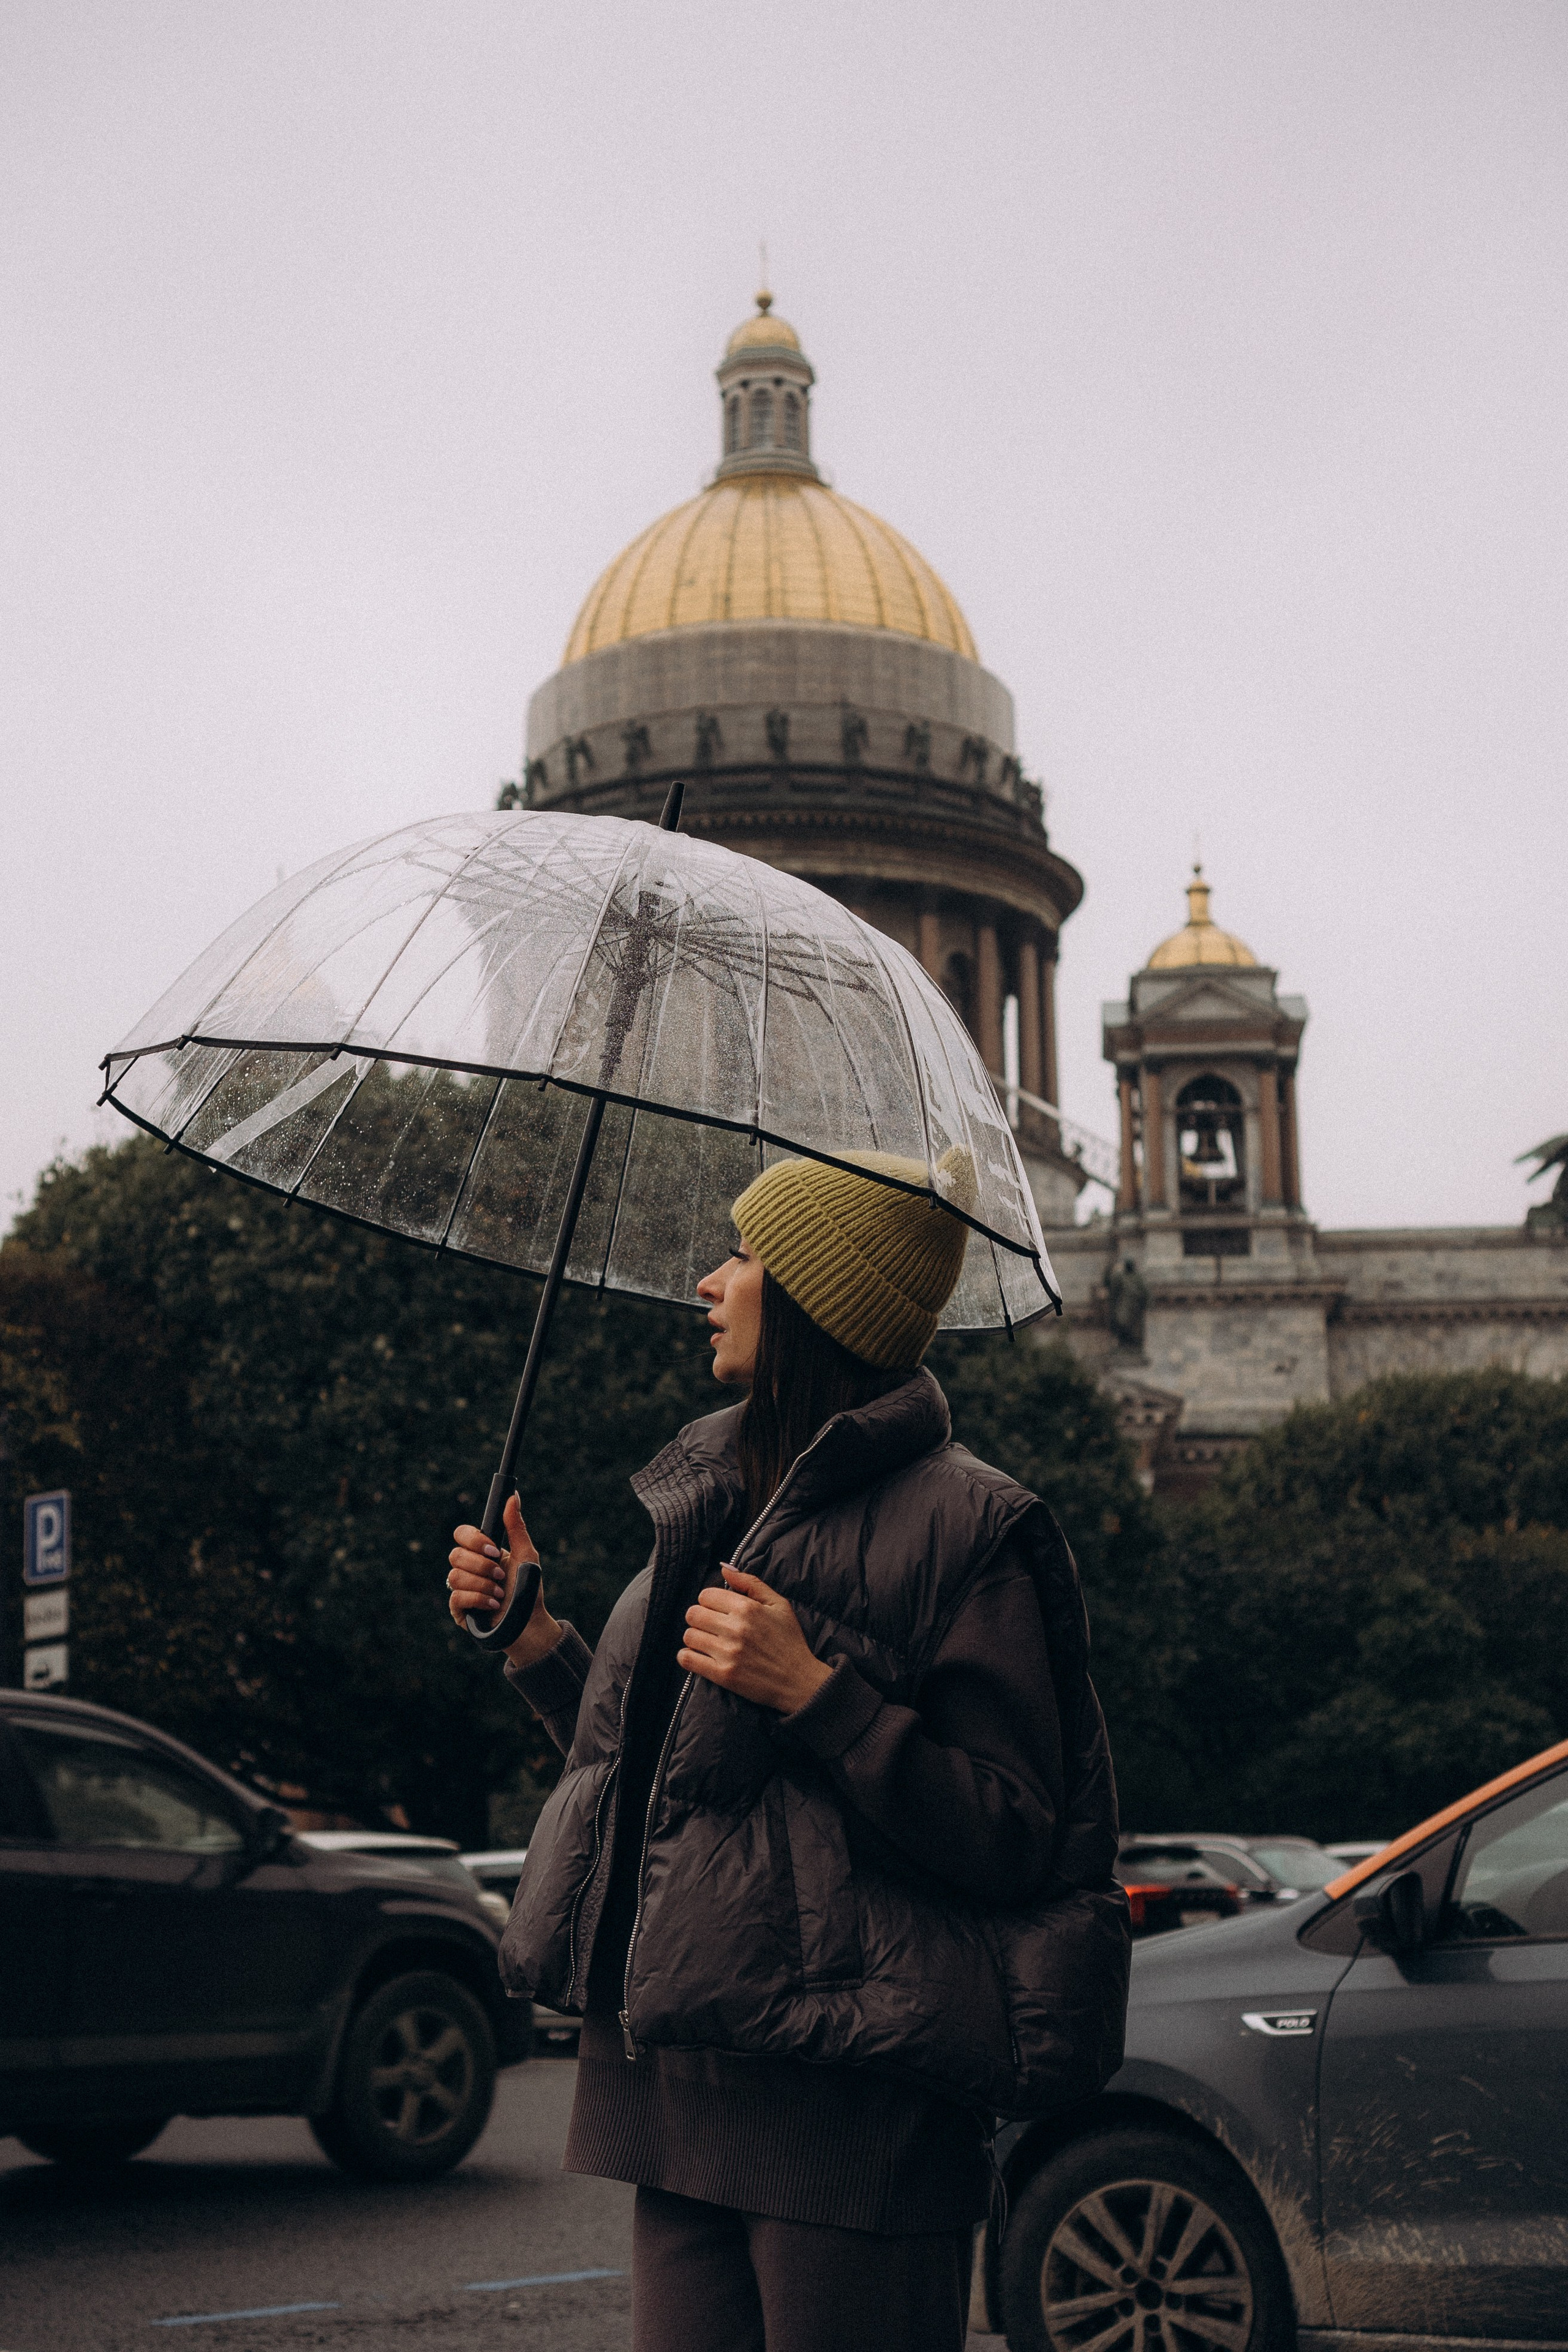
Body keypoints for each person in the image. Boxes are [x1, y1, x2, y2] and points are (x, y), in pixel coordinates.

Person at [446, 1149, 1125, 2352]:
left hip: (851, 2118)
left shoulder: (974, 1526)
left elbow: (1019, 1837)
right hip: (680, 2093)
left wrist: (820, 1697)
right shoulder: (714, 1500)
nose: (710, 1283)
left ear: (818, 1296)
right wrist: (533, 1638)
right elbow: (673, 1791)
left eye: (745, 1258)